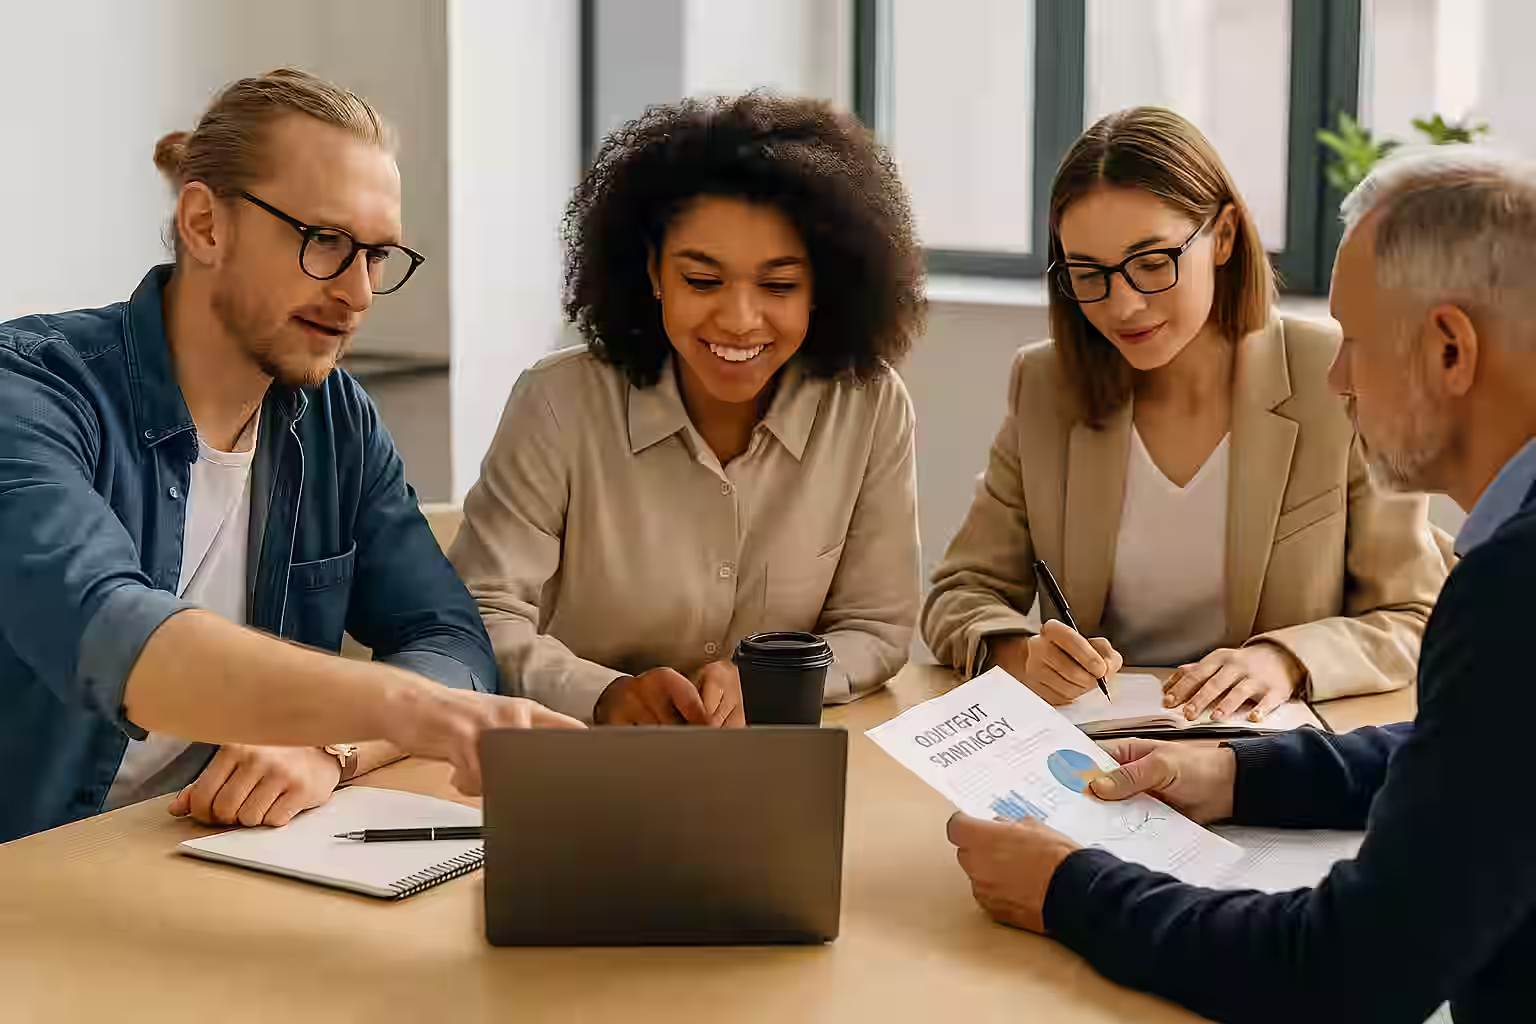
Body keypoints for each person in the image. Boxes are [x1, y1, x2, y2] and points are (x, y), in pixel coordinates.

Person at [946, 148, 1536, 1023]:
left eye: (1360, 345)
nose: (1338, 381)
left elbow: (1344, 970)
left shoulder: (1513, 592)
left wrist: (1068, 886)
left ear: (1450, 349)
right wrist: (1235, 773)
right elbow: (1473, 751)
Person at [0, 69, 579, 844]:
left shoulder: (336, 417)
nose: (359, 293)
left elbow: (451, 639)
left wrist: (330, 748)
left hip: (211, 854)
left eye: (376, 254)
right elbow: (115, 636)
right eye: (325, 241)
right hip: (38, 878)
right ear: (205, 224)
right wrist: (417, 712)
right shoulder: (31, 387)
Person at [922, 107, 1447, 720]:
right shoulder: (1045, 386)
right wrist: (1020, 653)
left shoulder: (1336, 377)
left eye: (1151, 263)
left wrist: (1284, 660)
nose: (1124, 304)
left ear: (1222, 236)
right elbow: (960, 594)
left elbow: (1415, 616)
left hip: (1265, 753)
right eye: (1089, 274)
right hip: (1101, 749)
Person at [450, 93, 924, 725]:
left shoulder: (870, 407)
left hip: (774, 762)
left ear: (823, 289)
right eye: (702, 281)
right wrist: (603, 693)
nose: (738, 319)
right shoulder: (556, 403)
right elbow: (480, 613)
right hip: (586, 757)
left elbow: (875, 627)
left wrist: (770, 680)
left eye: (779, 286)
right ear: (652, 273)